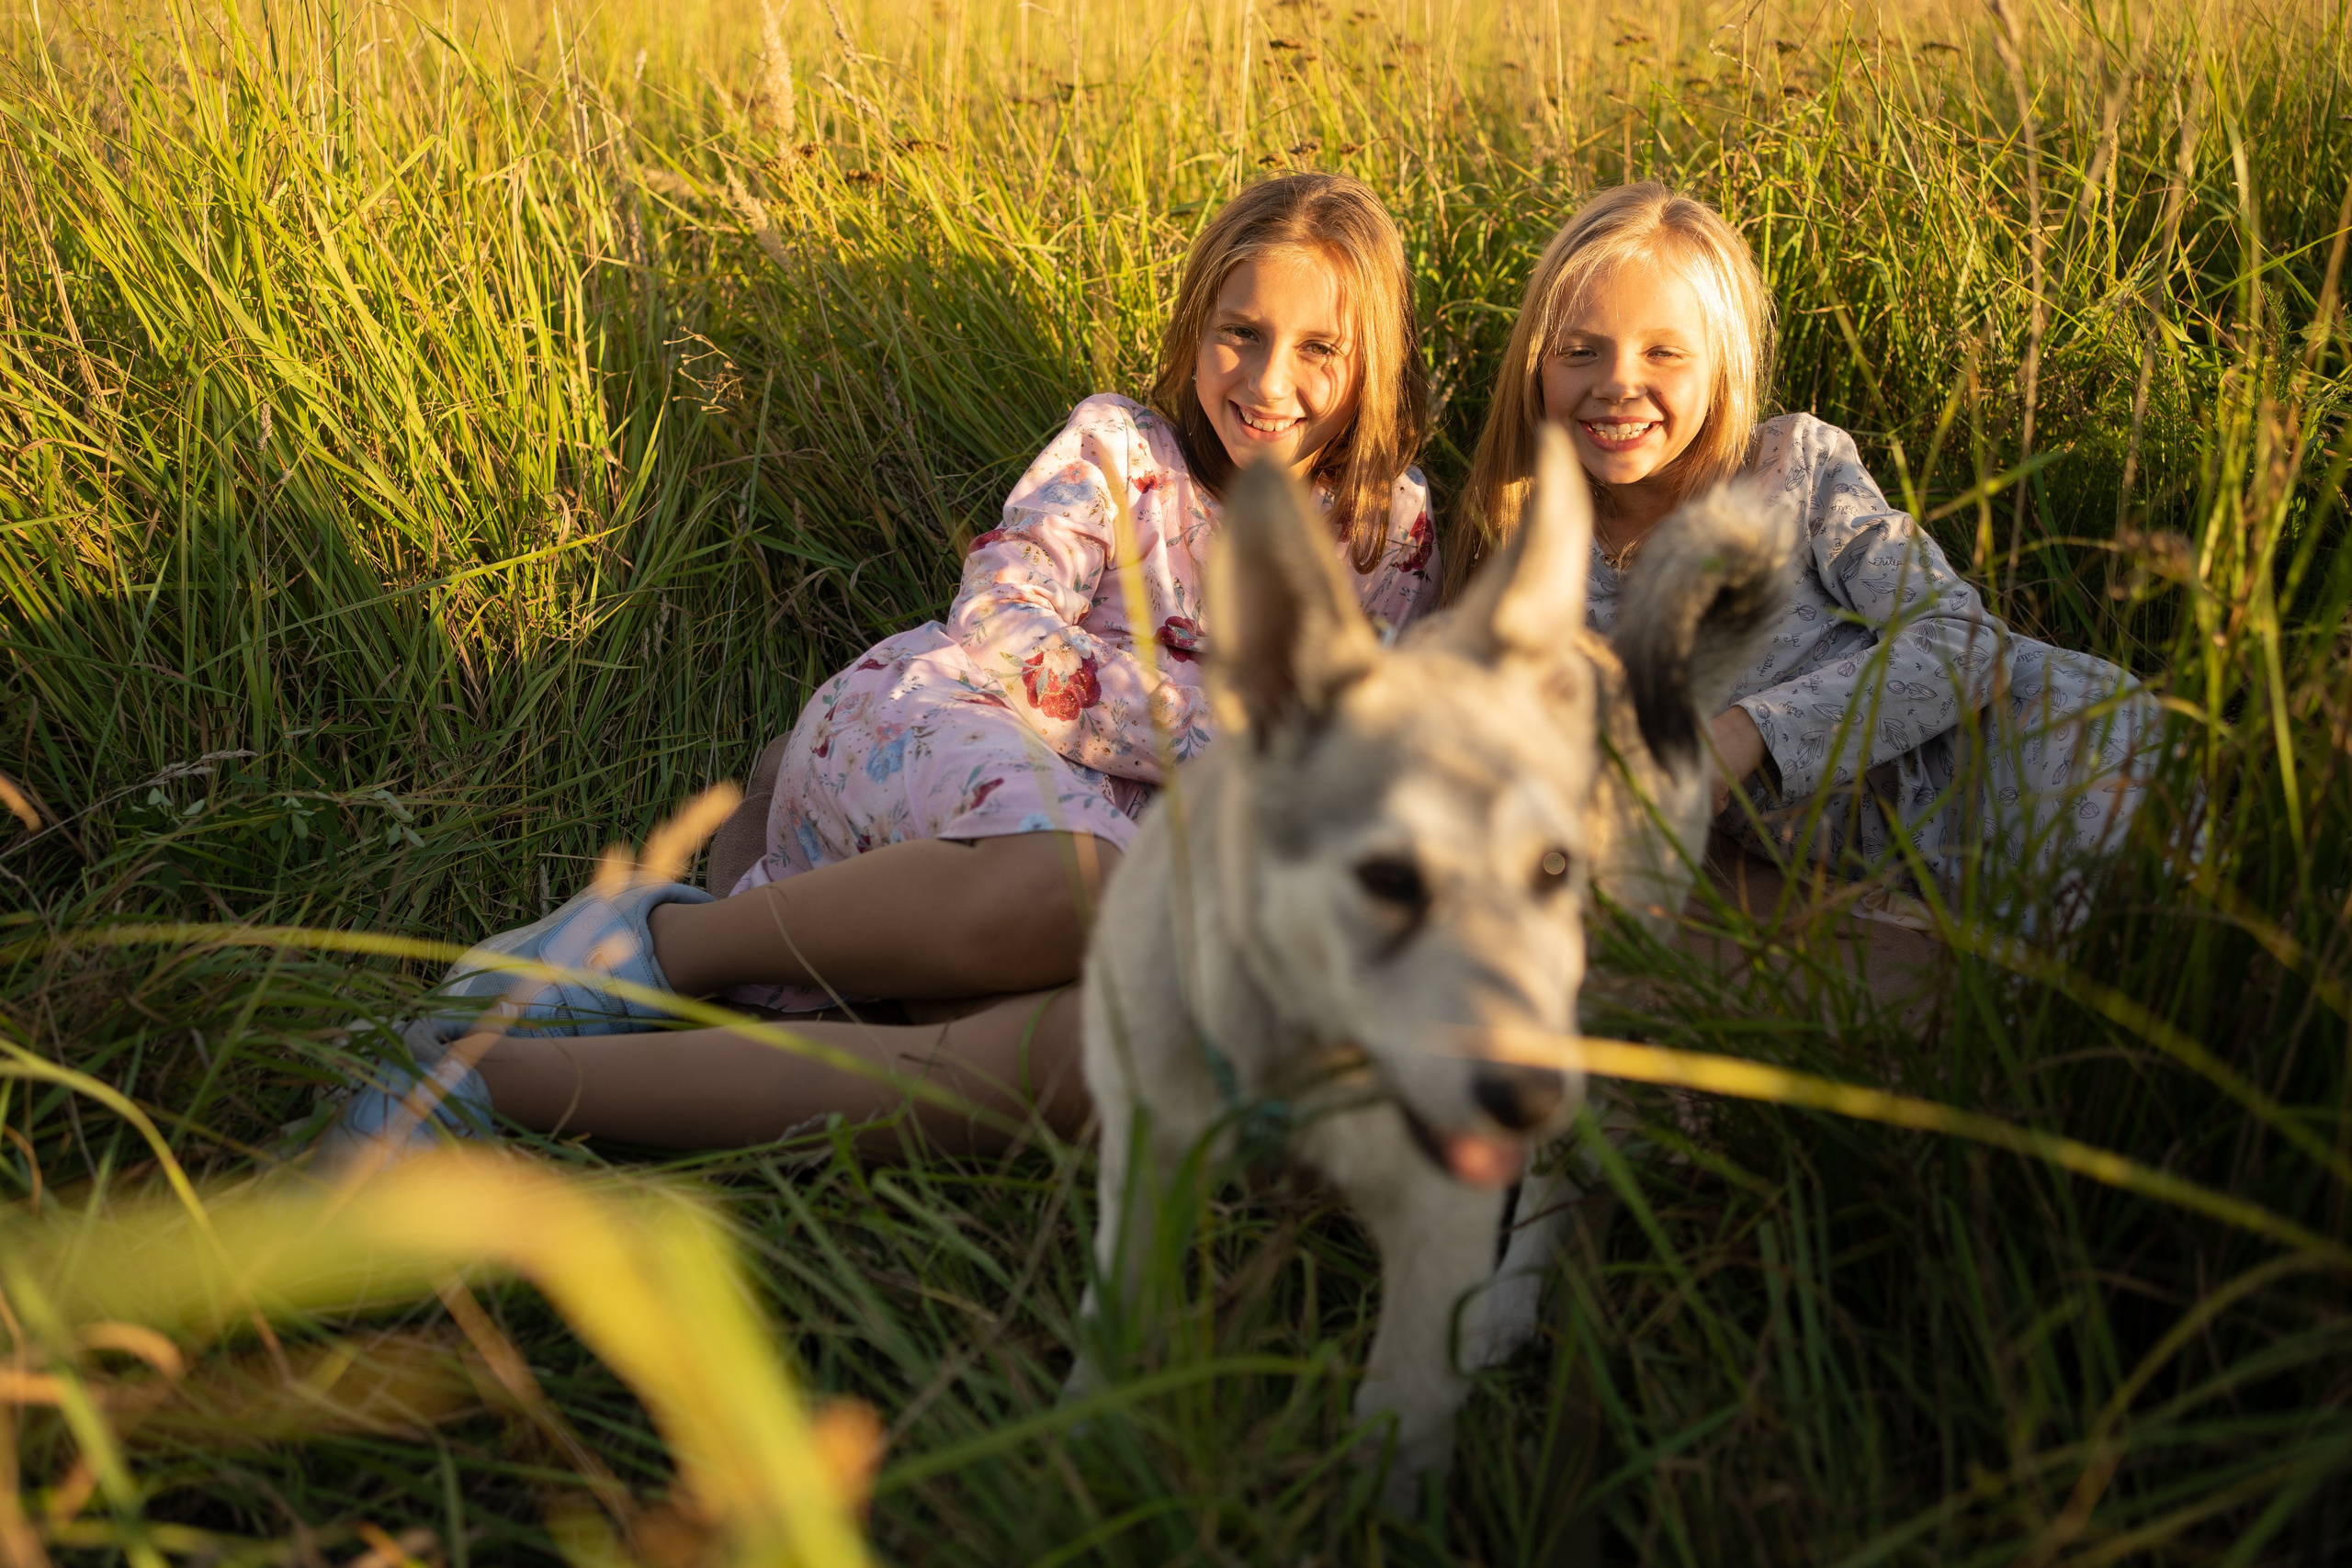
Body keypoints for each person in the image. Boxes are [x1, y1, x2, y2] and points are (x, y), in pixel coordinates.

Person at [330, 173, 1442, 1161]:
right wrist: (1226, 737)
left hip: (1137, 847)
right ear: (1196, 325)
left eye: (1318, 350)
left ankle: (580, 1049)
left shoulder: (1389, 532)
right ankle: (657, 945)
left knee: (1108, 939)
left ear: (1372, 363)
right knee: (1075, 881)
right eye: (1239, 332)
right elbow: (1004, 620)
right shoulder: (1123, 451)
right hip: (956, 720)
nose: (1267, 379)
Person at [1451, 181, 2156, 967]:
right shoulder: (1535, 564)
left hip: (2053, 752)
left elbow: (1966, 645)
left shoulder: (1792, 469)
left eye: (1663, 351)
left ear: (1723, 363)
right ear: (1536, 367)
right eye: (1579, 350)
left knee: (2154, 985)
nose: (1618, 381)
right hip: (1894, 878)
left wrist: (1746, 733)